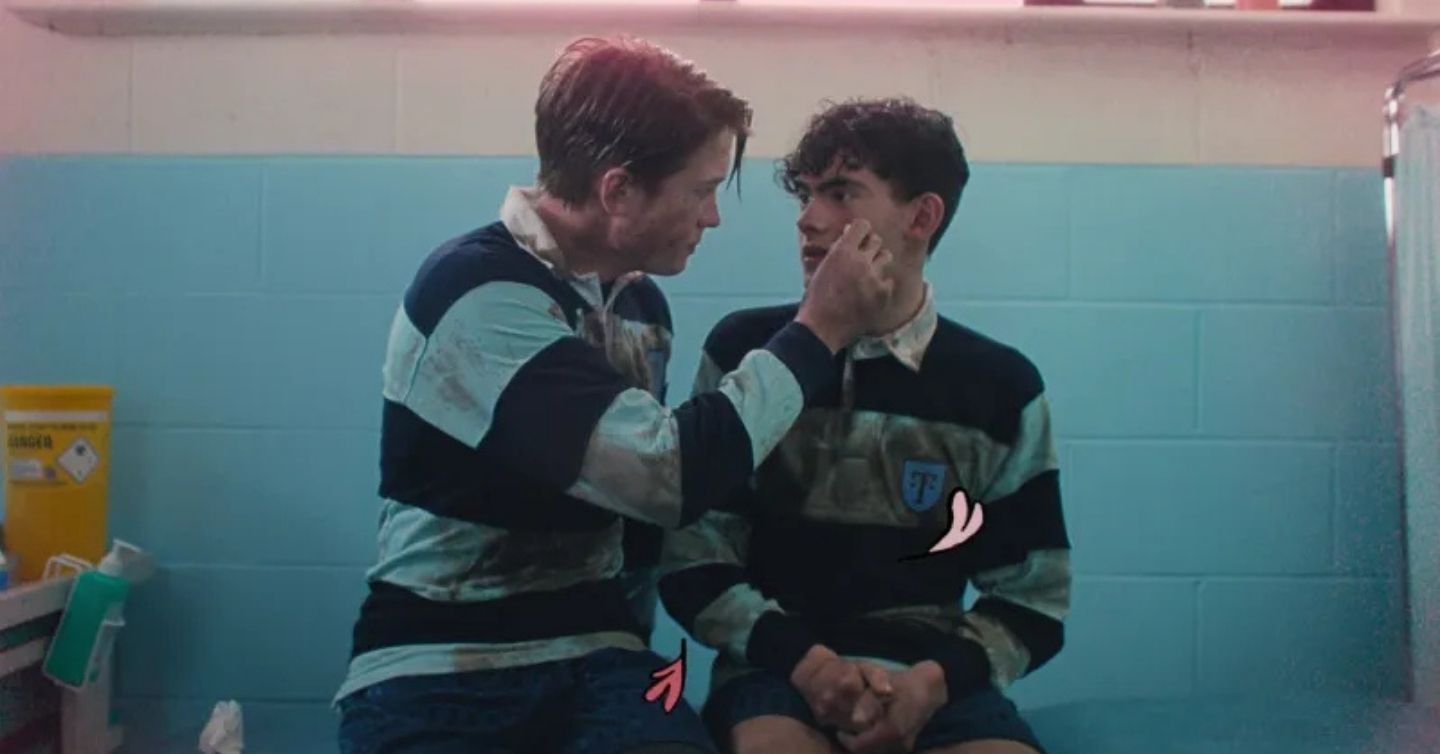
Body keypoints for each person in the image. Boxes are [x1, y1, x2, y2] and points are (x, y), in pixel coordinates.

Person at [333, 36, 897, 754]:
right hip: (442, 662)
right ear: (618, 191)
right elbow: (669, 476)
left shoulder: (637, 306)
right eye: (702, 191)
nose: (713, 217)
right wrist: (821, 328)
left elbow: (633, 527)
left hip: (600, 653)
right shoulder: (476, 295)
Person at [658, 98, 1071, 754]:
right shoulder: (745, 355)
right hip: (777, 672)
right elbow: (693, 559)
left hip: (935, 682)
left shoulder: (1000, 387)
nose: (808, 218)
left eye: (841, 193)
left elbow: (1034, 599)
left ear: (922, 216)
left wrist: (930, 685)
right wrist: (810, 667)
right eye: (806, 195)